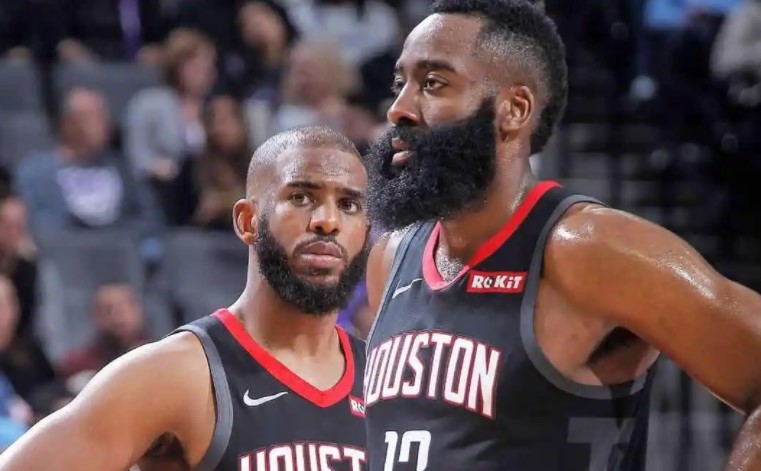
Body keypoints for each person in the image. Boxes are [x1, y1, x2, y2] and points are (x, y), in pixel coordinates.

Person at [361, 0, 761, 470]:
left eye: (433, 83)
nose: (399, 110)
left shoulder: (586, 248)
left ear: (514, 109)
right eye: (400, 85)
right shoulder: (391, 257)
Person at [0, 125, 371, 470]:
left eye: (349, 205)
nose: (328, 221)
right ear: (247, 221)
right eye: (301, 197)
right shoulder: (176, 374)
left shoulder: (384, 378)